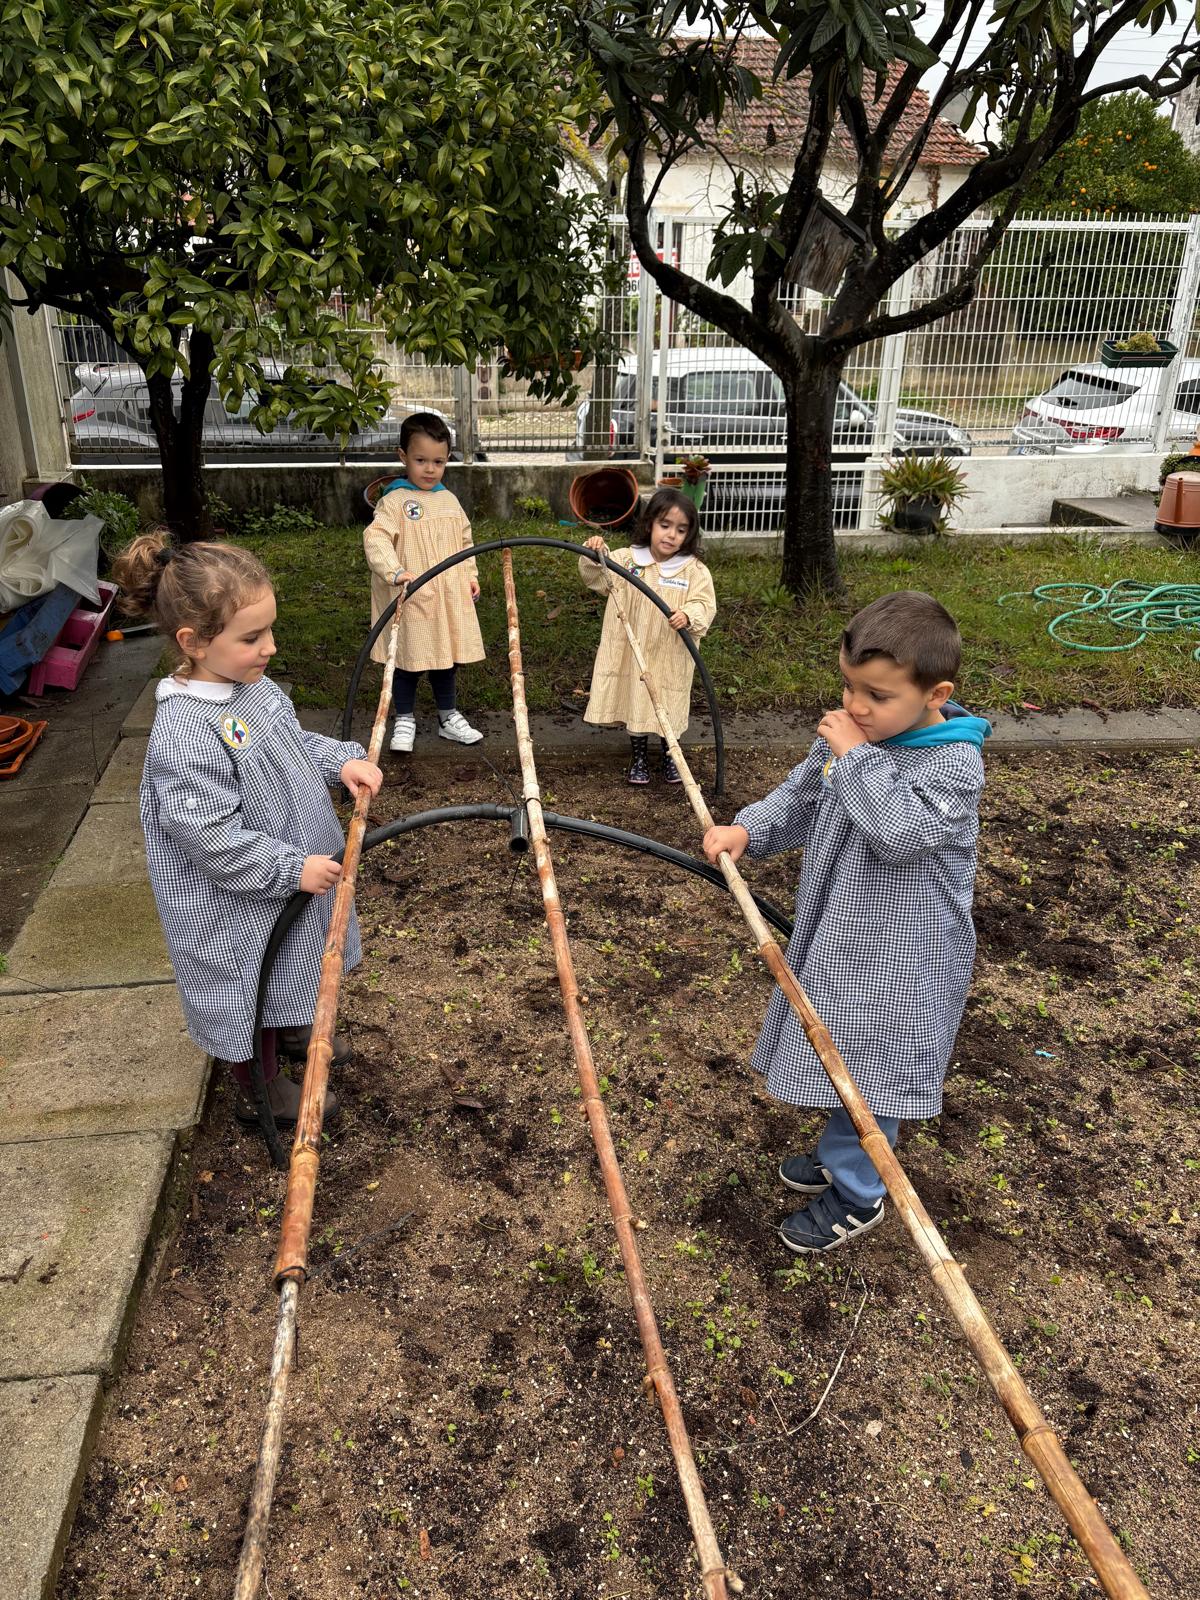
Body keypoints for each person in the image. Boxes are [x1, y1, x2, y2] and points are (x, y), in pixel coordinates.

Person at [703, 591, 990, 1254]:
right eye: (849, 687)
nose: (856, 707)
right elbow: (803, 794)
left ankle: (861, 1193)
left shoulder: (954, 764)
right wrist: (749, 828)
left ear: (934, 693)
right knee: (843, 1047)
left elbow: (898, 831)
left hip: (906, 954)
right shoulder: (858, 736)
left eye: (878, 695)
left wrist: (856, 755)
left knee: (877, 1066)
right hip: (845, 931)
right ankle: (843, 1150)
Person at [113, 532, 383, 1127]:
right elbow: (212, 838)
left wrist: (338, 760)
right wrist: (290, 868)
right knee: (245, 985)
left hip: (285, 873)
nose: (270, 647)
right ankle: (262, 1087)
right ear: (194, 643)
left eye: (268, 631)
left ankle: (294, 1029)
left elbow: (291, 745)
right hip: (231, 900)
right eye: (252, 637)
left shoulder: (251, 691)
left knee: (294, 953)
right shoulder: (184, 733)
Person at [363, 411, 485, 753]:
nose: (430, 469)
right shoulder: (395, 501)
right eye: (421, 460)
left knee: (445, 659)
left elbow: (465, 543)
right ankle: (404, 719)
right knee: (407, 660)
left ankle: (448, 717)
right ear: (403, 457)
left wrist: (470, 577)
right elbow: (376, 539)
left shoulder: (449, 501)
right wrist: (395, 571)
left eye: (439, 462)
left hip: (446, 598)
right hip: (412, 598)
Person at [578, 487, 717, 784]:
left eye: (681, 530)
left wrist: (689, 614)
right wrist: (596, 553)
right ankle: (639, 756)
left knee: (671, 700)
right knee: (637, 699)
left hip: (671, 652)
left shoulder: (693, 570)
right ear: (650, 523)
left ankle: (671, 755)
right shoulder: (628, 560)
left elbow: (705, 603)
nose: (671, 535)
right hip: (634, 648)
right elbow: (598, 577)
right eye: (665, 525)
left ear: (689, 534)